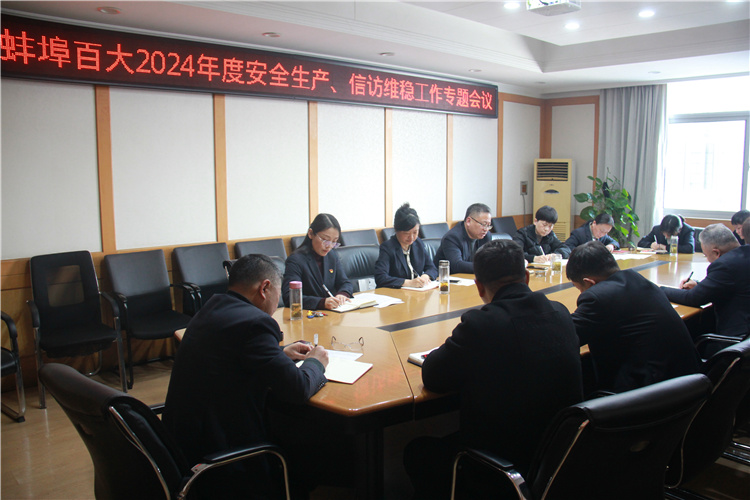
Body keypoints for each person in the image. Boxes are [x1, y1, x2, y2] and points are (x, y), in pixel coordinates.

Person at [404, 240, 582, 499]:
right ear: (527, 277)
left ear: (479, 287)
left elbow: (432, 376)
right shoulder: (561, 312)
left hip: (501, 464)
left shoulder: (481, 325)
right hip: (561, 455)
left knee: (418, 451)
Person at [163, 254, 329, 498]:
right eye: (278, 295)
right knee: (307, 441)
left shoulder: (214, 306)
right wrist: (316, 362)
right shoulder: (255, 323)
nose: (278, 303)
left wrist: (281, 352)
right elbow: (298, 389)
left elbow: (232, 351)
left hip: (184, 441)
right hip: (223, 454)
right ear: (265, 288)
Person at [567, 241, 700, 394]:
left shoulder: (598, 298)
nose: (581, 293)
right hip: (689, 382)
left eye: (579, 288)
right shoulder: (637, 279)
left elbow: (566, 335)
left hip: (655, 394)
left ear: (589, 282)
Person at [662, 223, 750, 338]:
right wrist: (699, 285)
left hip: (736, 339)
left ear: (716, 253)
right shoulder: (745, 254)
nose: (708, 260)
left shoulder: (724, 265)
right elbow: (733, 283)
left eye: (706, 255)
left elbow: (693, 298)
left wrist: (659, 290)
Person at [282, 213, 354, 310]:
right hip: (308, 314)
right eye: (325, 240)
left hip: (332, 314)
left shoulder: (332, 255)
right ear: (311, 233)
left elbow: (345, 283)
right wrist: (321, 303)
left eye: (334, 242)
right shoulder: (296, 260)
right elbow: (290, 297)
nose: (329, 246)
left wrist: (342, 294)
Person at [374, 203, 438, 288]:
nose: (411, 237)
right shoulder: (388, 248)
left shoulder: (418, 244)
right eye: (406, 233)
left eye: (415, 232)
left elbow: (432, 268)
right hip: (395, 293)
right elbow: (381, 278)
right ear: (396, 230)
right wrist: (408, 283)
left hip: (416, 293)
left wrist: (426, 276)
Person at [432, 203, 492, 273]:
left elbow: (487, 259)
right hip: (448, 277)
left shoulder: (486, 236)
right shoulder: (452, 238)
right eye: (483, 224)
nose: (486, 229)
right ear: (468, 221)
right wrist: (485, 267)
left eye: (488, 225)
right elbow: (457, 265)